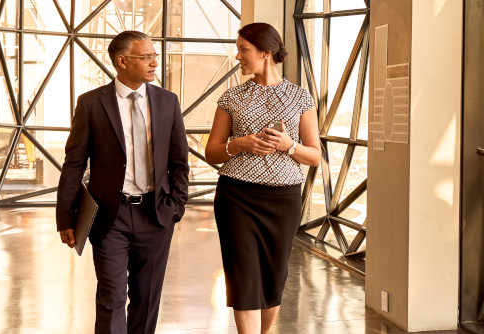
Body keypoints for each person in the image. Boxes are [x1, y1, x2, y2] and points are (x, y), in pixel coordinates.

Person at [56, 30, 190, 334]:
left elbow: (180, 161)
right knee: (111, 298)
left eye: (155, 55)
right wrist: (65, 216)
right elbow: (74, 163)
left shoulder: (167, 102)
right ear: (122, 61)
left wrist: (176, 207)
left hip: (156, 214)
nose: (155, 62)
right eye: (146, 57)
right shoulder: (91, 103)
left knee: (146, 299)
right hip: (109, 217)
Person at [204, 22, 320, 334]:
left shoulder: (300, 98)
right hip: (236, 197)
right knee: (243, 277)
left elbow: (315, 155)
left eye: (244, 49)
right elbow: (211, 152)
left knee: (272, 278)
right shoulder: (232, 97)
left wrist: (288, 146)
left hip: (283, 201)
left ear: (265, 53)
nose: (238, 56)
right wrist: (238, 144)